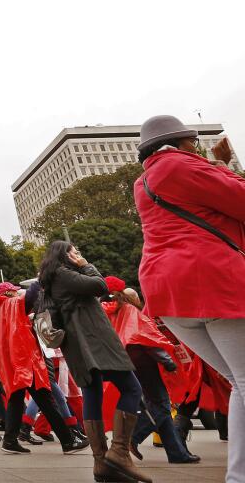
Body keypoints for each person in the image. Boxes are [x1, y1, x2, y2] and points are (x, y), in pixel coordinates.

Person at [134, 114, 245, 483]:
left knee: (238, 380)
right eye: (191, 141)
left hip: (167, 292)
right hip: (211, 278)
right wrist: (224, 166)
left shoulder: (144, 180)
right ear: (180, 142)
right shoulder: (181, 166)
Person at [40, 241, 147, 483]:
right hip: (93, 340)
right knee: (132, 387)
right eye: (75, 251)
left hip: (80, 344)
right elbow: (100, 286)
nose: (79, 255)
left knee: (92, 394)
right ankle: (119, 452)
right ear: (64, 254)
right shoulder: (63, 273)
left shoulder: (52, 279)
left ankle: (101, 463)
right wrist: (86, 265)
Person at [100, 276, 199, 465]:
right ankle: (133, 438)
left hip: (125, 363)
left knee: (156, 405)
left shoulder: (106, 313)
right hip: (145, 363)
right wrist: (167, 360)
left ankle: (177, 453)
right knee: (161, 405)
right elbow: (145, 338)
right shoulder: (130, 311)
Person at [0, 281, 87, 456]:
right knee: (46, 401)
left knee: (18, 400)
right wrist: (44, 277)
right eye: (15, 291)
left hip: (14, 364)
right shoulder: (13, 304)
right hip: (25, 361)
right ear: (10, 293)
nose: (19, 294)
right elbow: (33, 293)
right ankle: (68, 441)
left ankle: (10, 440)